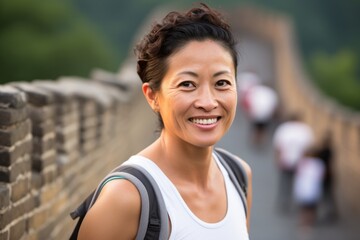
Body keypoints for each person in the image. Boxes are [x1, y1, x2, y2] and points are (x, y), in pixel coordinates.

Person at [78, 3, 252, 239]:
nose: (208, 102)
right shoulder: (125, 198)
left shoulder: (238, 175)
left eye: (222, 83)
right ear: (152, 96)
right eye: (187, 84)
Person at [273, 113, 314, 213]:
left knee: (285, 183)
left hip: (285, 160)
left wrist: (277, 159)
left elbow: (278, 146)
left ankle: (284, 203)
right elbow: (309, 148)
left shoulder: (284, 129)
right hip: (301, 162)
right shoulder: (305, 130)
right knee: (298, 184)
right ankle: (298, 204)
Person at [293, 147, 325, 237]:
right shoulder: (318, 164)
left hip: (302, 189)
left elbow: (297, 174)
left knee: (303, 208)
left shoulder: (302, 163)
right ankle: (309, 223)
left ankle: (303, 223)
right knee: (311, 208)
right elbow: (321, 176)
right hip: (313, 190)